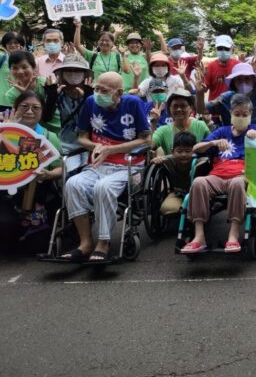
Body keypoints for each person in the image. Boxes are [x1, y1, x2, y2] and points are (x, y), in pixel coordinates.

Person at [60, 72, 151, 262]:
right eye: (97, 88)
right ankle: (85, 243)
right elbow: (81, 137)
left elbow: (146, 140)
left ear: (119, 92)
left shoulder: (132, 104)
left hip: (128, 165)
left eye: (105, 90)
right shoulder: (91, 102)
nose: (99, 93)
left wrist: (112, 149)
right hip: (98, 163)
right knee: (72, 184)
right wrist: (97, 147)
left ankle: (104, 242)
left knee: (103, 188)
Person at [180, 94, 256, 254]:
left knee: (237, 183)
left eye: (244, 114)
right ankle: (199, 237)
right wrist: (213, 143)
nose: (240, 117)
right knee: (199, 182)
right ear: (231, 114)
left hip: (243, 175)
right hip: (218, 174)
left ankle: (233, 234)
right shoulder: (221, 131)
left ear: (251, 114)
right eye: (237, 114)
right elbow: (195, 149)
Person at [1, 91, 63, 242]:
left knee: (37, 242)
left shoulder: (49, 137)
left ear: (42, 111)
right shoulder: (3, 130)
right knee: (6, 225)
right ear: (14, 108)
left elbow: (60, 168)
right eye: (24, 106)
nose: (29, 111)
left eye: (36, 108)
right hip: (5, 196)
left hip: (36, 196)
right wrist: (6, 135)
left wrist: (49, 174)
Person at [200, 62, 256, 127]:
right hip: (232, 142)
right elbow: (202, 110)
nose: (243, 82)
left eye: (247, 78)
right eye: (239, 79)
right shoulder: (225, 98)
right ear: (234, 82)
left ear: (253, 80)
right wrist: (199, 93)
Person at [43, 55, 93, 155]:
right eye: (69, 70)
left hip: (88, 145)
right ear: (62, 73)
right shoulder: (59, 93)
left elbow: (96, 120)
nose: (73, 73)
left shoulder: (92, 93)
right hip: (64, 145)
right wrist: (51, 97)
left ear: (84, 74)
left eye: (77, 70)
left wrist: (89, 98)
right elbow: (46, 117)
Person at [6, 50, 60, 134]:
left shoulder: (47, 84)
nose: (20, 71)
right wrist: (25, 92)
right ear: (10, 70)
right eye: (15, 68)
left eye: (24, 67)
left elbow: (47, 114)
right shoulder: (11, 95)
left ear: (34, 68)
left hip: (58, 130)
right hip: (34, 133)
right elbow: (21, 118)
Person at [152, 90, 210, 157]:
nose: (179, 109)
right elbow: (151, 145)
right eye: (175, 106)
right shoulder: (163, 131)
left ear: (191, 108)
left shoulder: (200, 126)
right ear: (170, 109)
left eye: (183, 106)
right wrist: (153, 123)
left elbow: (211, 145)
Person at [153, 131, 197, 217]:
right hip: (178, 193)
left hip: (197, 195)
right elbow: (155, 162)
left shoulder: (200, 161)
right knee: (166, 209)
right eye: (179, 151)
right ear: (172, 151)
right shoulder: (169, 160)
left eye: (188, 151)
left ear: (194, 150)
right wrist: (155, 160)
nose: (183, 154)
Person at [202, 35, 239, 102]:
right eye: (220, 48)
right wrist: (201, 80)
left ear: (232, 49)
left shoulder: (238, 65)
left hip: (233, 108)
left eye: (226, 48)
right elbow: (204, 89)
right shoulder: (211, 66)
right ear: (216, 49)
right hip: (215, 108)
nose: (223, 51)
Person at [0, 31, 25, 112]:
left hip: (20, 101)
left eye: (16, 43)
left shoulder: (26, 60)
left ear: (20, 44)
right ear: (5, 45)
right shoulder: (2, 58)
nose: (13, 45)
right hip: (2, 101)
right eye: (9, 43)